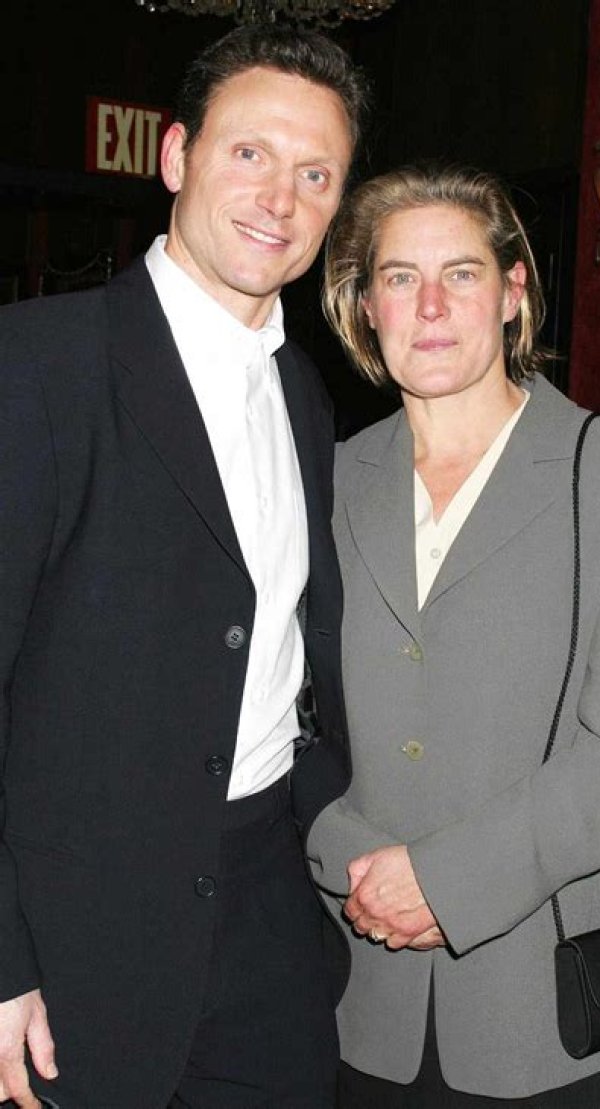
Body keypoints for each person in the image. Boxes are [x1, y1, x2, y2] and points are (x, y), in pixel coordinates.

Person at [0, 24, 369, 1109]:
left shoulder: (304, 393)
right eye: (250, 153)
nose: (280, 198)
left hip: (266, 910)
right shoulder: (36, 364)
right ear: (176, 157)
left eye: (316, 174)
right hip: (77, 935)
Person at [308, 164, 600, 1107]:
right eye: (400, 277)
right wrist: (346, 863)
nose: (431, 305)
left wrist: (443, 882)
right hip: (350, 990)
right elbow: (287, 718)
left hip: (536, 1010)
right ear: (365, 305)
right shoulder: (330, 478)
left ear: (514, 291)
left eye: (462, 273)